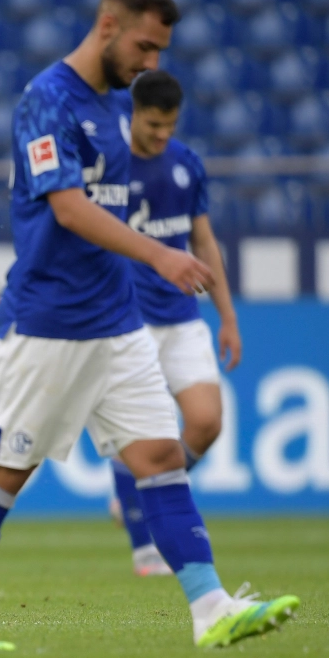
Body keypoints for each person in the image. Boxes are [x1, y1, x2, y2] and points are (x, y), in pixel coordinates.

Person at [0, 0, 297, 652]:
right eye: (145, 46)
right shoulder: (48, 100)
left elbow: (77, 215)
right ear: (108, 25)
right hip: (50, 324)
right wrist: (156, 257)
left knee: (159, 455)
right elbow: (64, 208)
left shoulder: (110, 109)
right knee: (7, 470)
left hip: (116, 320)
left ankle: (210, 607)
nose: (151, 63)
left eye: (160, 51)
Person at [109, 69, 242, 576]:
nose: (162, 134)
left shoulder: (186, 163)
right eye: (153, 124)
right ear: (134, 114)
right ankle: (146, 548)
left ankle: (141, 492)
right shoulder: (113, 166)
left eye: (170, 125)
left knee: (207, 423)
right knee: (140, 428)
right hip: (130, 316)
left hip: (183, 313)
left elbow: (202, 241)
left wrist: (227, 315)